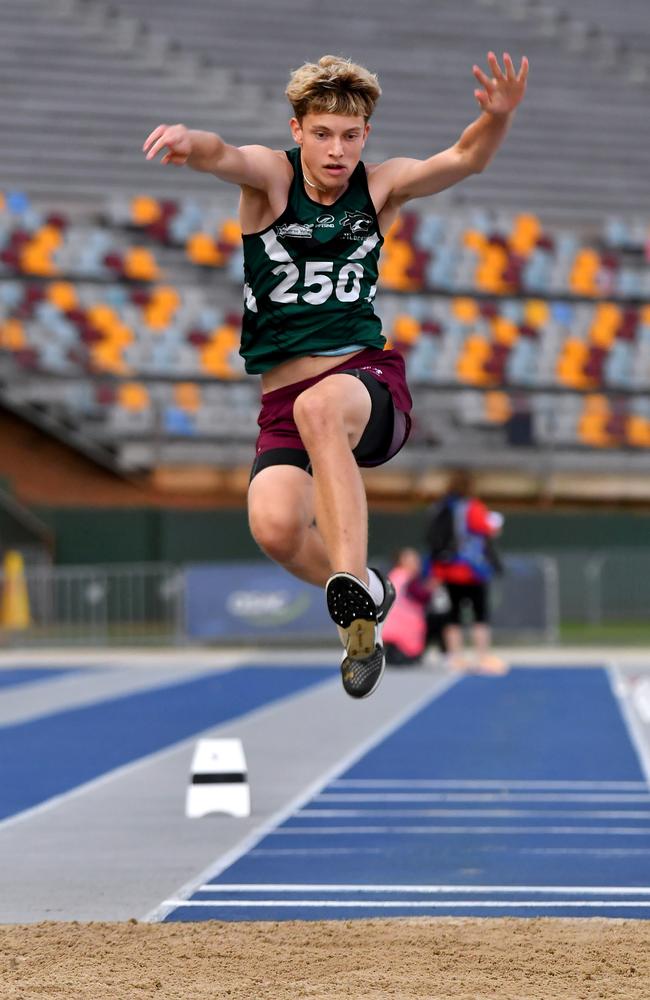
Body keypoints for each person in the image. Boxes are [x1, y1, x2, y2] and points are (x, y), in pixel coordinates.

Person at [143, 51, 528, 698]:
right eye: (322, 133)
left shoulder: (379, 187)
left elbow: (465, 159)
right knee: (274, 526)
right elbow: (222, 153)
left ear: (365, 138)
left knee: (320, 408)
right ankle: (368, 590)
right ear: (298, 131)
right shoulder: (272, 178)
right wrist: (190, 143)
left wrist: (497, 117)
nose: (336, 150)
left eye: (350, 136)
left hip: (365, 381)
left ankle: (349, 601)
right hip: (281, 399)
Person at [426, 470, 506, 674]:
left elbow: (432, 540)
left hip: (447, 570)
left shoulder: (440, 508)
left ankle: (455, 657)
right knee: (480, 614)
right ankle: (482, 657)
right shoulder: (473, 508)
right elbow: (488, 528)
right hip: (472, 570)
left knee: (452, 615)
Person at [382, 548, 437, 667]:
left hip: (391, 623)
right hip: (402, 623)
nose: (416, 563)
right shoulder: (407, 578)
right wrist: (430, 589)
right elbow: (420, 595)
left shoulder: (394, 575)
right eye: (412, 560)